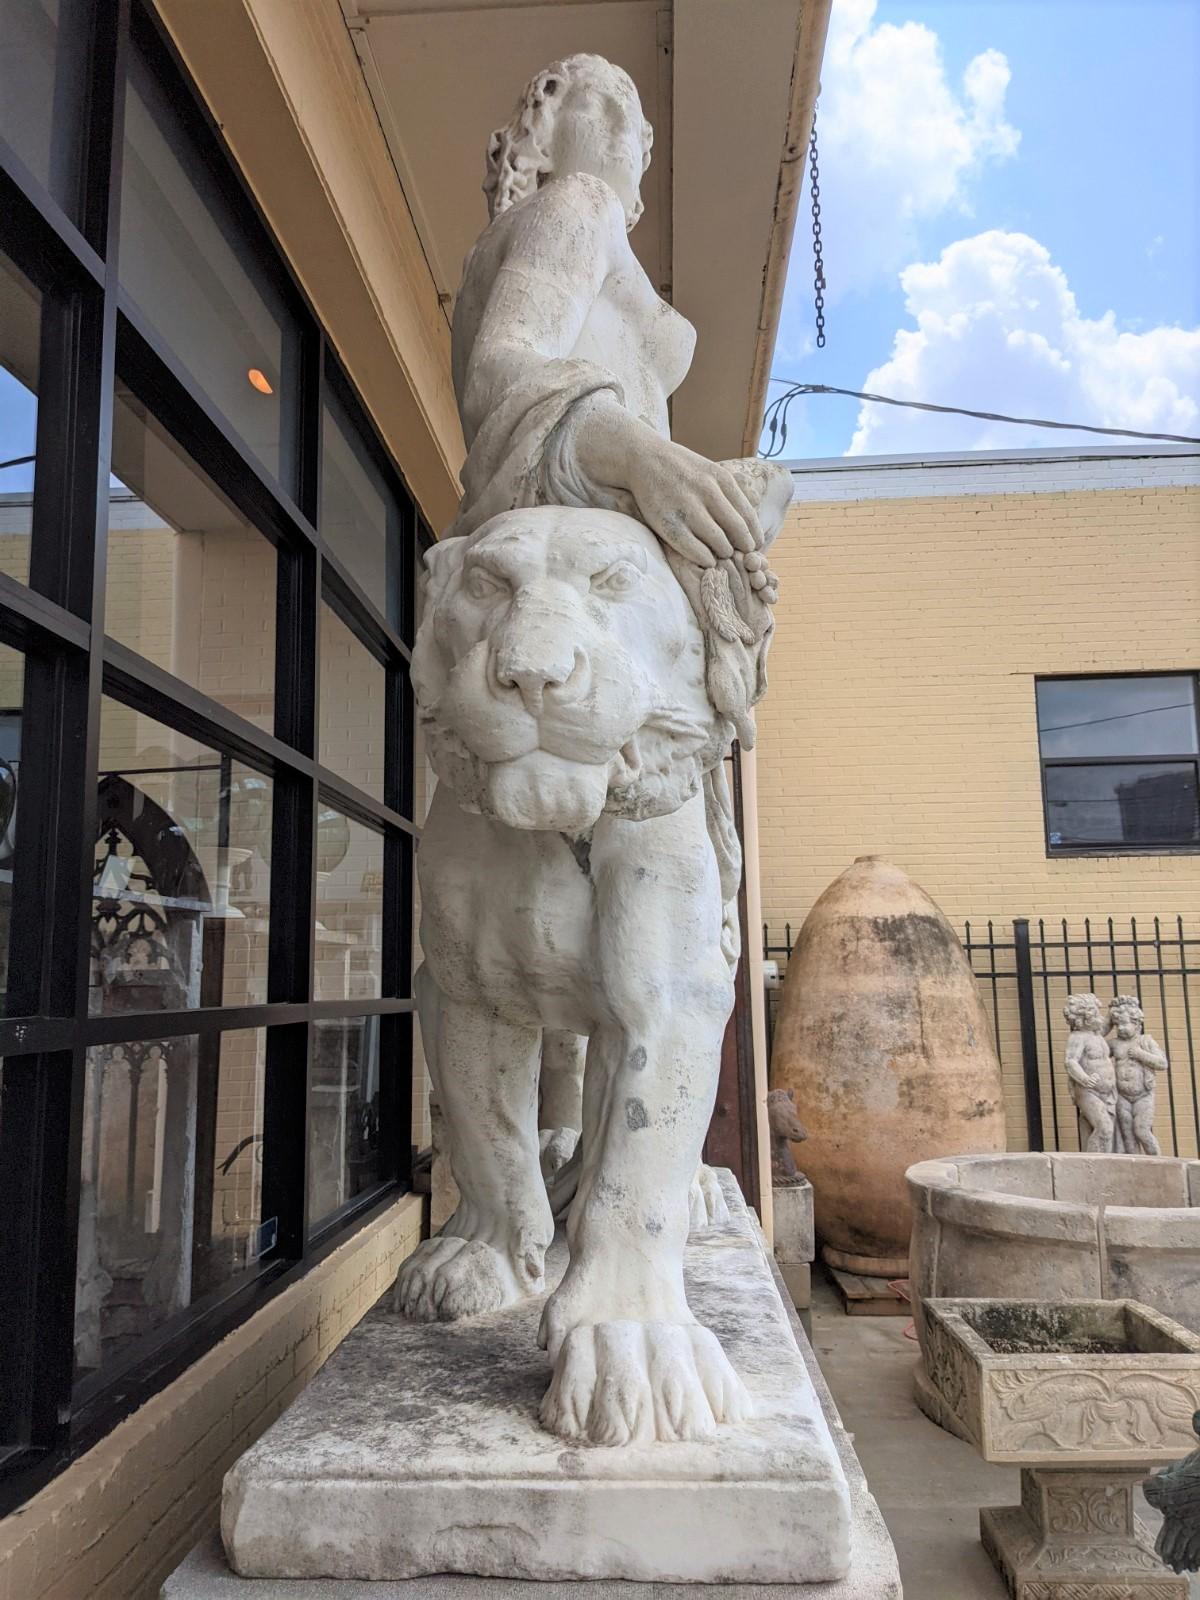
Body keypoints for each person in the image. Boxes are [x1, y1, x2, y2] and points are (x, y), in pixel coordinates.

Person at [1109, 994, 1169, 1156]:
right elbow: (1095, 1047)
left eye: (1124, 1023)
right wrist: (1108, 1021)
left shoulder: (1146, 1041)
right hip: (1122, 1097)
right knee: (1128, 1137)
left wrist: (1140, 1054)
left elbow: (1162, 1063)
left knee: (1142, 1131)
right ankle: (1135, 1168)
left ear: (1136, 1023)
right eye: (1117, 1025)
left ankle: (1158, 1163)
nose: (1120, 1028)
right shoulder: (1114, 1044)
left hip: (1143, 1095)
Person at [1063, 993, 1117, 1153]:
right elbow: (1070, 1061)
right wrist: (1085, 1079)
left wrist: (1112, 1012)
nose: (1098, 1016)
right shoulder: (1077, 1037)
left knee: (1091, 1127)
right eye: (1094, 1013)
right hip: (1088, 1091)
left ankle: (1096, 1162)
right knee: (1105, 1129)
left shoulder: (1096, 1034)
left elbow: (1104, 1025)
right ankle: (1096, 1165)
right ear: (1083, 1017)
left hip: (1107, 1093)